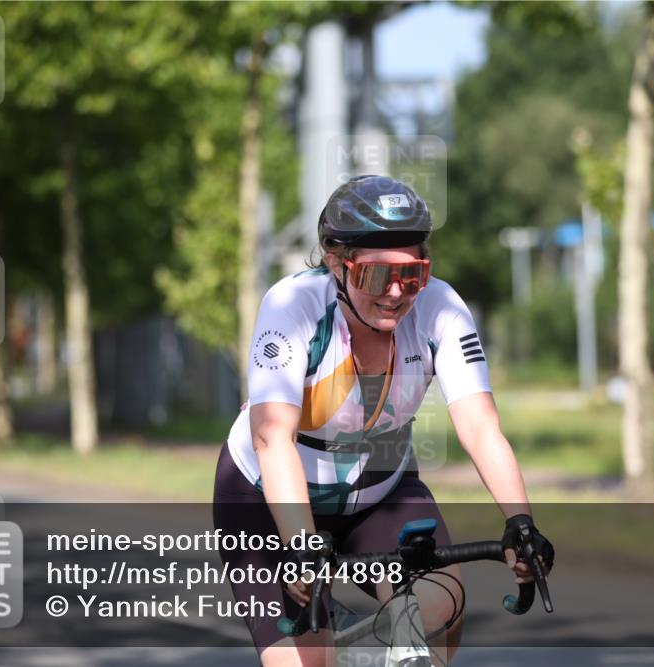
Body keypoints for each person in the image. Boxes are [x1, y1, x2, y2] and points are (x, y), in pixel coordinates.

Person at [213, 175, 553, 666]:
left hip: (380, 485)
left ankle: (368, 643)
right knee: (305, 662)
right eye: (377, 276)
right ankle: (340, 641)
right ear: (336, 262)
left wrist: (520, 522)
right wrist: (303, 547)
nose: (396, 292)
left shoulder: (441, 309)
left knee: (441, 606)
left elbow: (480, 426)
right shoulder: (293, 307)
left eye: (412, 275)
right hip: (272, 493)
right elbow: (272, 438)